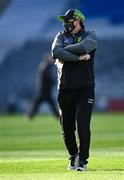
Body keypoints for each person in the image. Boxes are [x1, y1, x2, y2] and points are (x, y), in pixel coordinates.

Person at [51, 9, 97, 171]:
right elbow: (55, 52)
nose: (65, 23)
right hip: (64, 88)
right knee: (66, 127)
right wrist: (78, 57)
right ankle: (73, 156)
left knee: (83, 124)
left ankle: (83, 161)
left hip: (85, 88)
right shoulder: (60, 36)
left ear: (78, 21)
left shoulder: (90, 35)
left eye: (69, 20)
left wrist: (64, 52)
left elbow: (85, 46)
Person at [27, 52, 59, 120]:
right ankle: (30, 115)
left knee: (38, 103)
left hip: (43, 89)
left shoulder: (43, 66)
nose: (51, 59)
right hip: (45, 89)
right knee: (49, 103)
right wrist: (53, 81)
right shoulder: (45, 67)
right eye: (50, 58)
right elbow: (47, 78)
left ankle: (30, 115)